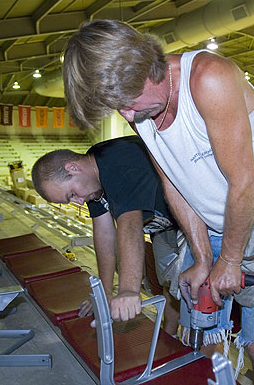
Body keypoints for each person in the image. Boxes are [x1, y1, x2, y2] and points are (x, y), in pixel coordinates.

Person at [63, 19, 254, 385]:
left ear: (147, 68)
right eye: (119, 109)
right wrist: (202, 256)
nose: (128, 117)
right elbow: (174, 183)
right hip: (206, 227)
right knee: (202, 339)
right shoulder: (139, 108)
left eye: (127, 104)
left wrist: (229, 258)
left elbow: (243, 182)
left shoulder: (209, 79)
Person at [31, 136, 181, 336]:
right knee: (170, 286)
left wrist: (128, 290)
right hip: (166, 228)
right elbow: (104, 234)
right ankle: (169, 337)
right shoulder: (92, 180)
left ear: (73, 168)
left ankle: (203, 360)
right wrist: (105, 293)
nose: (78, 202)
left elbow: (129, 224)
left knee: (197, 302)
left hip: (200, 222)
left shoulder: (117, 161)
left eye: (72, 194)